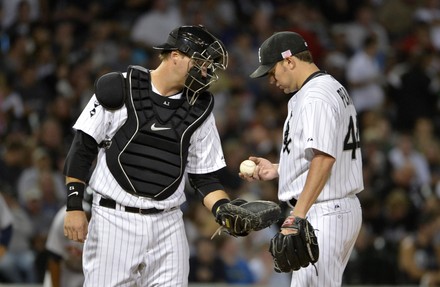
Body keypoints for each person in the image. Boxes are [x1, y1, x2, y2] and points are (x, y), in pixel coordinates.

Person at [63, 25, 242, 287]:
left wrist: (224, 208)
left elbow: (204, 177)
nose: (206, 71)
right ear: (176, 55)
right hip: (114, 219)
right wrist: (74, 206)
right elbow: (82, 148)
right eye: (202, 63)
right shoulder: (119, 87)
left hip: (168, 221)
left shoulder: (200, 109)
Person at [244, 31, 364, 286]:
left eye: (272, 71)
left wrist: (296, 217)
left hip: (324, 210)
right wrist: (280, 169)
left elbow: (324, 159)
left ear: (289, 61)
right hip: (330, 207)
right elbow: (323, 153)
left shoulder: (315, 97)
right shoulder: (325, 88)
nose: (271, 79)